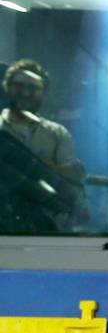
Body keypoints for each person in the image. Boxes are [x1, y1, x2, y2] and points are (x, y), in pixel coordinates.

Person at [0, 58, 87, 230]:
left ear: (44, 93)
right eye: (18, 85)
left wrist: (43, 165)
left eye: (33, 88)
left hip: (44, 230)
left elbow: (75, 176)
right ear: (6, 87)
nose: (25, 93)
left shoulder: (57, 133)